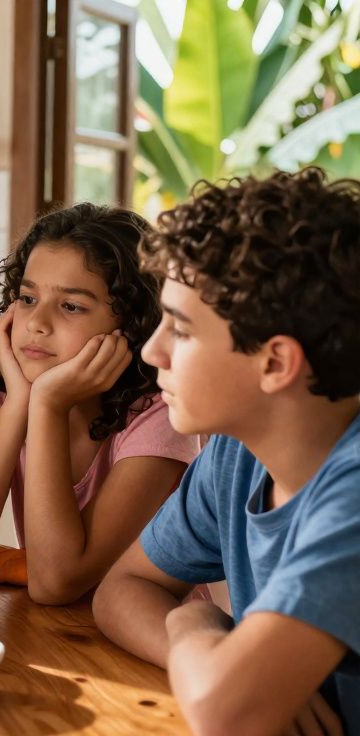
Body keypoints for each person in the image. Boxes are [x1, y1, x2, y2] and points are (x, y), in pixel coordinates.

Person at [94, 168, 360, 734]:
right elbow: (121, 590)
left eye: (181, 330)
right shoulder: (238, 454)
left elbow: (224, 713)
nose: (151, 351)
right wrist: (212, 660)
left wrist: (195, 626)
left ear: (275, 363)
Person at [0, 203, 197, 604]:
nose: (37, 323)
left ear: (133, 323)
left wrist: (47, 406)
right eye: (28, 298)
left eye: (72, 306)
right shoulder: (8, 390)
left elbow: (57, 582)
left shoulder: (160, 414)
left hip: (155, 643)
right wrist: (19, 403)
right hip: (57, 636)